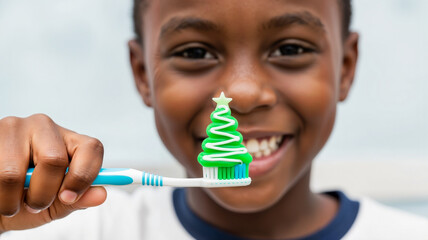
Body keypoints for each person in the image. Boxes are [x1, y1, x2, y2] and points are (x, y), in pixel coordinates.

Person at [1, 0, 427, 239]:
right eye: (194, 53)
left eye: (291, 49)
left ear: (346, 67)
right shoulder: (67, 231)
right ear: (142, 74)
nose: (241, 93)